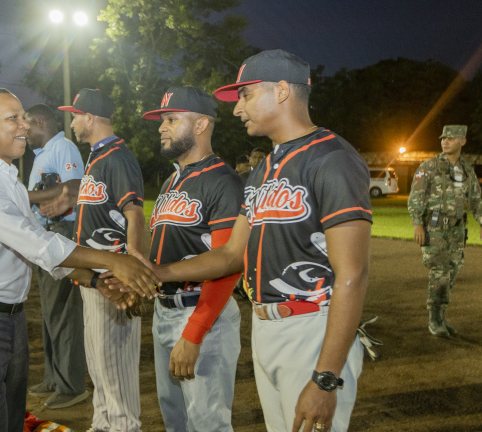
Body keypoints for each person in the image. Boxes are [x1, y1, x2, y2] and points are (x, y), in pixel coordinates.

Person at [128, 50, 372, 432]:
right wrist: (157, 271)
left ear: (280, 91)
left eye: (245, 95)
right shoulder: (264, 168)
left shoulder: (332, 158)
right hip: (266, 327)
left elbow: (353, 274)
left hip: (311, 326)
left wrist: (326, 376)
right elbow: (229, 255)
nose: (238, 109)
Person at [0, 88, 159, 432]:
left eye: (23, 117)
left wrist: (97, 280)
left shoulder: (7, 178)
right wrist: (114, 262)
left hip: (8, 318)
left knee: (10, 423)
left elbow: (39, 253)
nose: (25, 125)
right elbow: (36, 242)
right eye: (13, 118)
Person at [141, 86, 244, 431]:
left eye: (171, 119)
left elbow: (229, 264)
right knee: (176, 421)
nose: (161, 126)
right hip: (164, 312)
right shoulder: (172, 181)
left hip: (202, 313)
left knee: (207, 424)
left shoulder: (224, 182)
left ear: (201, 125)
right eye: (162, 120)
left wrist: (195, 332)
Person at [58, 88, 146, 432]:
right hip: (95, 278)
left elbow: (135, 216)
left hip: (114, 279)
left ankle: (122, 427)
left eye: (76, 116)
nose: (73, 122)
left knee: (116, 374)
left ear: (90, 118)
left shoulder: (118, 157)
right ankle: (102, 425)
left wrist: (132, 274)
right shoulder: (97, 156)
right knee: (99, 368)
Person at [23, 103, 89, 409]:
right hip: (46, 234)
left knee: (63, 309)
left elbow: (74, 187)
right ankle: (53, 377)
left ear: (40, 122)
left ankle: (71, 385)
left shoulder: (63, 147)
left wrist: (34, 200)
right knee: (50, 309)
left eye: (26, 125)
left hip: (62, 231)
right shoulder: (44, 154)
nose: (23, 131)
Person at [407, 125, 482, 337]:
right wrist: (417, 224)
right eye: (443, 138)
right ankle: (435, 319)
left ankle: (441, 314)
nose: (445, 141)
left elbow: (476, 200)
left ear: (463, 141)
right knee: (439, 272)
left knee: (452, 271)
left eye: (451, 138)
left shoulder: (467, 170)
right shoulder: (429, 166)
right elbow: (416, 197)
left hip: (458, 231)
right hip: (435, 228)